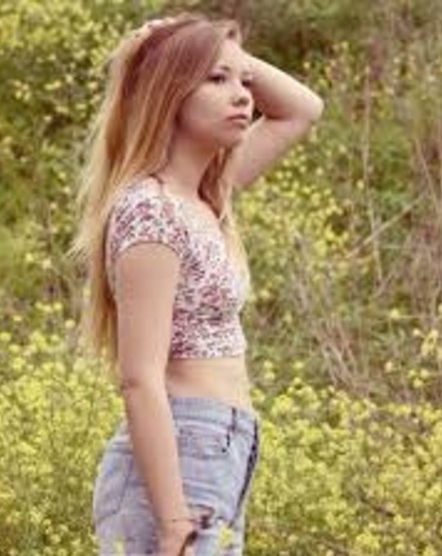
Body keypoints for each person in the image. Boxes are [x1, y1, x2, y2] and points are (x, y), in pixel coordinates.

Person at [69, 10, 324, 556]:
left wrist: (217, 50)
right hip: (180, 460)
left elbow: (303, 110)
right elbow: (139, 378)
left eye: (244, 81)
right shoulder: (151, 210)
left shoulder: (207, 196)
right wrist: (172, 521)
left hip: (222, 450)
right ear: (170, 92)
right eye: (216, 80)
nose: (243, 96)